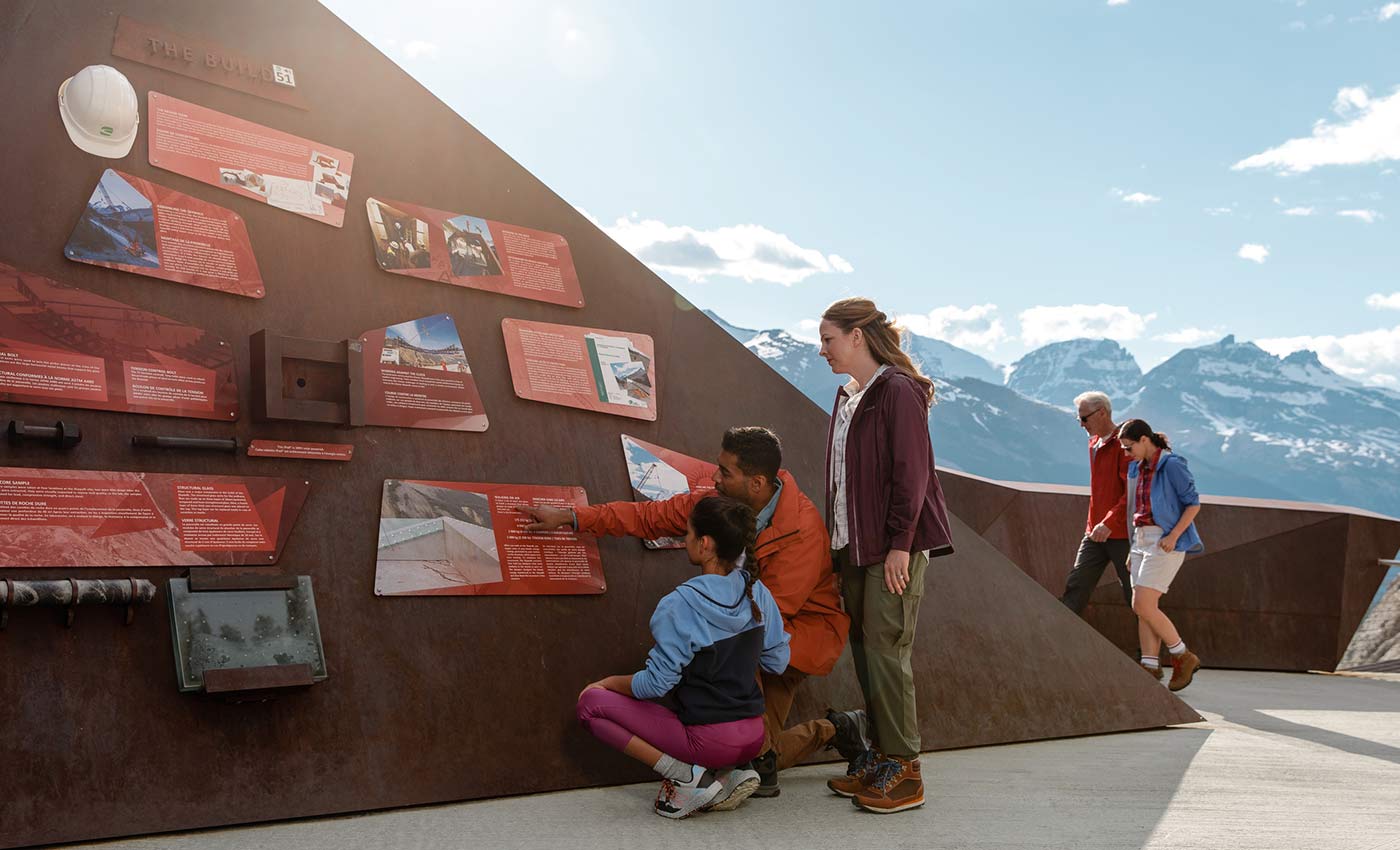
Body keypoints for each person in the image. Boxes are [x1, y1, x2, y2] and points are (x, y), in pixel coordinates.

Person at [521, 426, 865, 797]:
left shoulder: (803, 533)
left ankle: (837, 729)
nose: (714, 478)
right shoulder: (718, 506)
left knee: (755, 762)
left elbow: (763, 628)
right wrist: (573, 518)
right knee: (740, 755)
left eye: (725, 472)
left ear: (756, 483)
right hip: (744, 634)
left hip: (792, 638)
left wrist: (691, 632)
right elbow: (647, 517)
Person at [817, 298, 954, 815]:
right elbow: (840, 480)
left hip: (891, 548)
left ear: (857, 336)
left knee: (887, 650)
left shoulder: (896, 391)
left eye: (829, 338)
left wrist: (901, 543)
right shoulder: (849, 395)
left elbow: (911, 473)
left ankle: (906, 769)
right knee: (866, 649)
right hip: (853, 546)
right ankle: (880, 758)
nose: (823, 349)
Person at [574, 496, 789, 818]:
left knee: (590, 705)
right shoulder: (757, 591)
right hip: (756, 735)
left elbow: (656, 685)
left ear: (704, 544)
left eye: (687, 534)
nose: (684, 539)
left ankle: (686, 776)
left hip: (712, 740)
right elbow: (778, 662)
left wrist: (606, 683)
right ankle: (726, 773)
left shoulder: (680, 604)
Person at [1118, 419, 1204, 691]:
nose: (1126, 453)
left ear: (1145, 440)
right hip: (1141, 541)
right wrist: (1133, 547)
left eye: (1129, 447)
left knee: (1143, 604)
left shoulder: (1173, 464)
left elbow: (1193, 504)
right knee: (1143, 609)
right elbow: (1136, 511)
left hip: (1165, 541)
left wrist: (1174, 535)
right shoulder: (1136, 468)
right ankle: (1150, 667)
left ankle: (1182, 655)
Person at [1060, 391, 1134, 615]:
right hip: (1094, 533)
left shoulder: (1125, 444)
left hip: (1122, 534)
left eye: (1085, 418)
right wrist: (1095, 525)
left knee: (1136, 597)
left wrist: (1109, 522)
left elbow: (1130, 492)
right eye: (1078, 419)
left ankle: (1149, 651)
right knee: (1076, 587)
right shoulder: (1093, 443)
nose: (1081, 424)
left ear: (1102, 413)